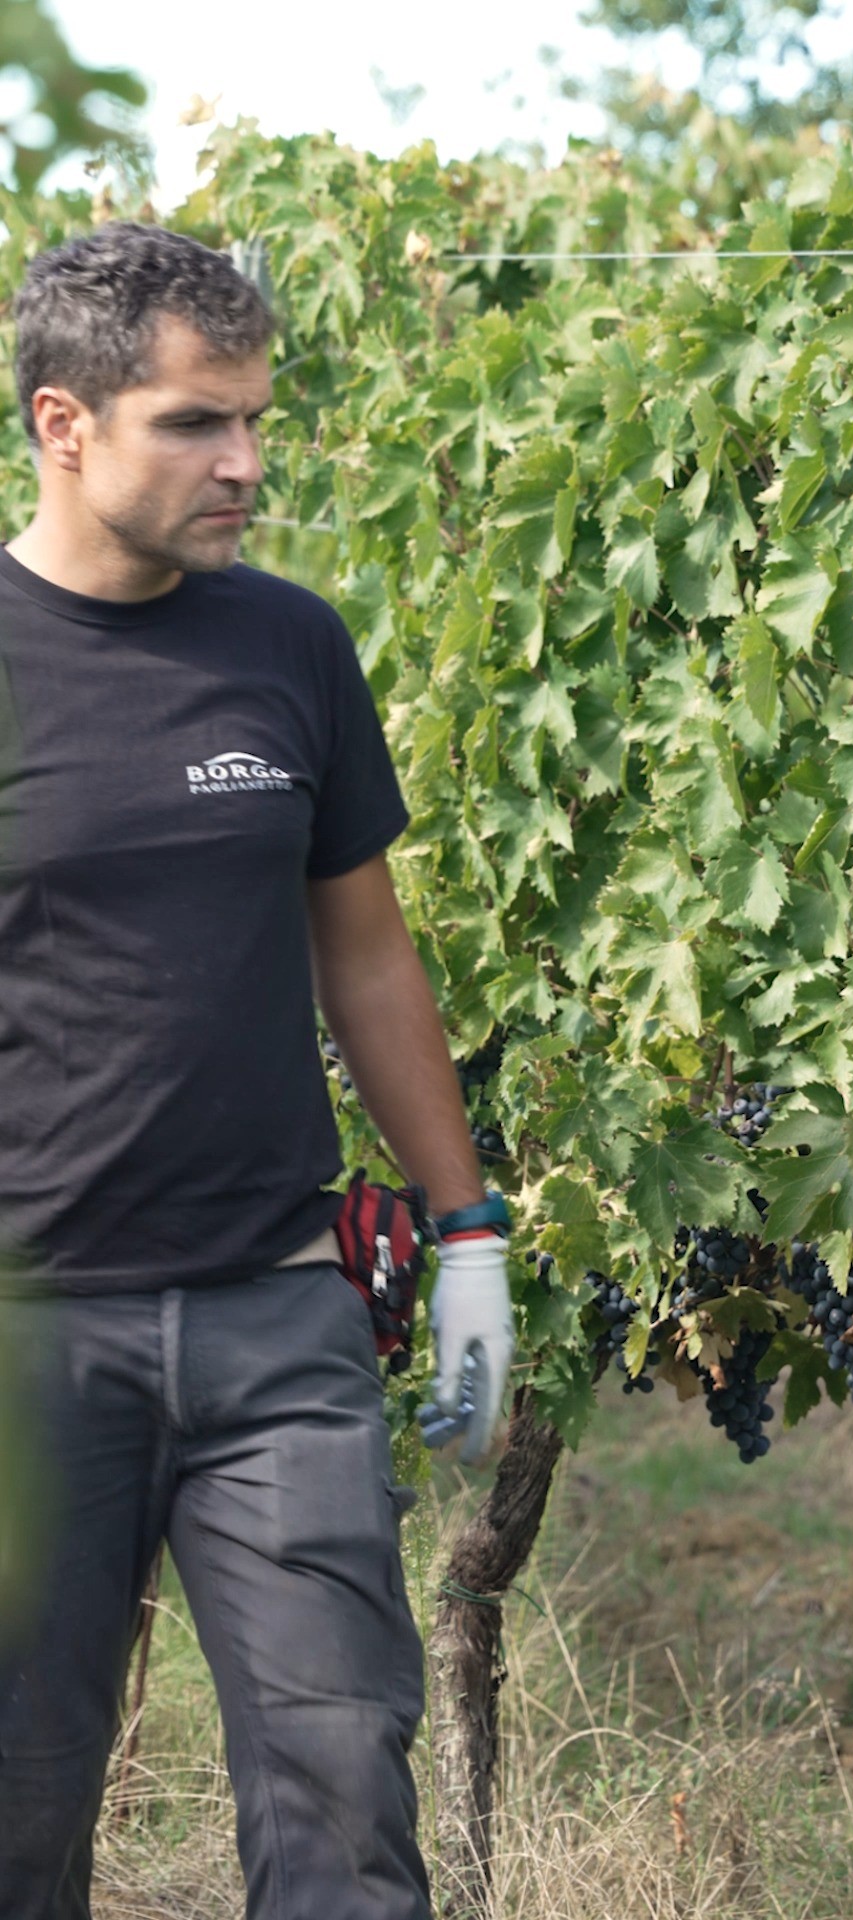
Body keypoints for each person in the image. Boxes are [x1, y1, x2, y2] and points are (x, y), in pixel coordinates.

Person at [0, 221, 515, 1920]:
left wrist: (469, 1233)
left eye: (255, 422)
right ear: (64, 425)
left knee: (346, 1801)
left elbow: (363, 949)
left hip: (275, 1318)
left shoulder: (288, 645)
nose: (245, 465)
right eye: (195, 425)